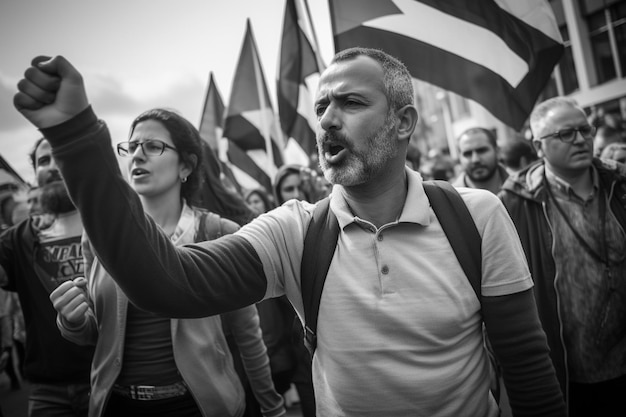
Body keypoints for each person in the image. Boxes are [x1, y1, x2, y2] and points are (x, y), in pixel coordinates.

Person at [14, 50, 566, 416]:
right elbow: (169, 283)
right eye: (321, 105)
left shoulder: (478, 214)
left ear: (403, 122)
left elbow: (526, 362)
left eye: (350, 102)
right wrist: (76, 136)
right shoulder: (296, 230)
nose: (326, 119)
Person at [48, 108, 285, 417]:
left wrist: (272, 407)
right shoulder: (99, 234)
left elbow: (247, 333)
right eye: (131, 147)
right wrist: (73, 320)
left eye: (153, 146)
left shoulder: (217, 231)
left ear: (186, 165)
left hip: (196, 407)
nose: (137, 155)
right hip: (115, 405)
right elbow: (95, 333)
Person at [499, 96, 626, 416]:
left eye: (585, 130)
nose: (581, 139)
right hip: (566, 377)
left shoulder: (621, 185)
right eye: (565, 134)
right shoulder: (515, 204)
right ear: (539, 146)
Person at [0, 137, 94, 416]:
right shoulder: (19, 238)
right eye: (43, 161)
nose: (51, 167)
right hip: (48, 393)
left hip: (114, 379)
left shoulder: (111, 223)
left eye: (60, 155)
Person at [452, 127, 509, 194]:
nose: (475, 160)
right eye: (468, 154)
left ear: (497, 151)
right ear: (460, 158)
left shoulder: (521, 190)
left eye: (482, 151)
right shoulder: (450, 199)